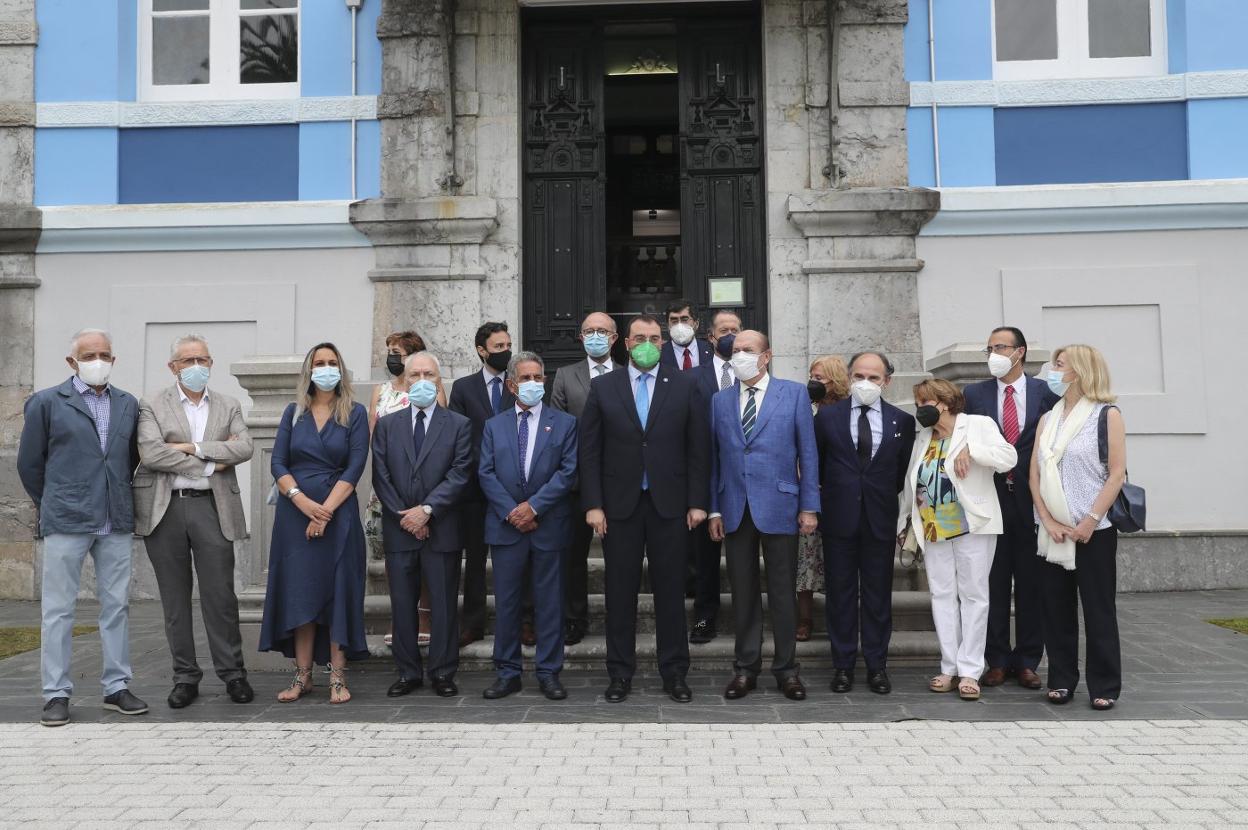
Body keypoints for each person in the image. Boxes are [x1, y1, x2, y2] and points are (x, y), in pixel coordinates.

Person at [18, 329, 147, 727]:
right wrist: (55, 500)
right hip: (67, 517)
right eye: (89, 354)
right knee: (58, 610)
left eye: (105, 353)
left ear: (114, 359)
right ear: (72, 361)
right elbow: (29, 464)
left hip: (115, 518)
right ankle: (55, 693)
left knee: (116, 607)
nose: (98, 360)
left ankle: (116, 687)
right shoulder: (46, 403)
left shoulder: (128, 404)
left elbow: (130, 458)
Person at [580, 314, 710, 703]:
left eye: (655, 337)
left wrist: (698, 502)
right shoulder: (604, 386)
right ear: (627, 343)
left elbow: (698, 447)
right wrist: (593, 505)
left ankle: (674, 673)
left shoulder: (686, 384)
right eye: (640, 337)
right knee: (620, 594)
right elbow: (589, 451)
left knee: (671, 593)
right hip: (619, 507)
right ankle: (620, 673)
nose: (648, 343)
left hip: (669, 505)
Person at [134, 334, 255, 709]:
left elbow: (244, 447)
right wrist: (209, 463)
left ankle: (233, 674)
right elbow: (152, 453)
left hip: (212, 506)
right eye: (188, 361)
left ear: (211, 363)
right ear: (173, 367)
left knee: (220, 597)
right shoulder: (151, 403)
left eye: (202, 359)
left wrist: (189, 447)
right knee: (175, 599)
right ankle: (185, 677)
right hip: (165, 506)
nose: (196, 367)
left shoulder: (228, 404)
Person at [708, 331, 819, 701]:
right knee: (743, 593)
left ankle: (787, 669)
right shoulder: (719, 401)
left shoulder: (794, 393)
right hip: (735, 508)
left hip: (782, 506)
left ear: (766, 355)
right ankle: (745, 668)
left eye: (747, 350)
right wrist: (714, 508)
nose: (739, 355)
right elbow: (714, 460)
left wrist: (809, 506)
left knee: (784, 593)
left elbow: (809, 453)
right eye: (735, 351)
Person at [259, 343, 369, 704]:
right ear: (309, 371)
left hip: (339, 516)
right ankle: (302, 676)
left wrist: (325, 511)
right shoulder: (294, 413)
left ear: (341, 369)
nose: (326, 369)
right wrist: (304, 503)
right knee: (300, 593)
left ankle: (337, 676)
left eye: (332, 363)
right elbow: (278, 464)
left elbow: (355, 467)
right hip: (295, 517)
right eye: (319, 363)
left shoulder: (354, 413)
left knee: (337, 592)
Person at [899, 379, 1016, 701]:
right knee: (942, 596)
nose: (920, 407)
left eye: (925, 400)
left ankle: (970, 670)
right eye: (918, 400)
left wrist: (973, 451)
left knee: (974, 596)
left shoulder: (977, 425)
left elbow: (1009, 457)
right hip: (933, 527)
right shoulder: (923, 437)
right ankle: (949, 666)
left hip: (972, 525)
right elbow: (912, 484)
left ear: (946, 402)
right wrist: (904, 523)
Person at [372, 351, 474, 699]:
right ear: (406, 381)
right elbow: (381, 477)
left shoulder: (458, 424)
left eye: (429, 374)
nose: (422, 381)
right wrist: (407, 516)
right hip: (400, 529)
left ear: (439, 380)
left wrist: (427, 511)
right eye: (415, 375)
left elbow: (460, 474)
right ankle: (407, 671)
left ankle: (443, 672)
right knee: (402, 604)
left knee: (444, 604)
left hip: (441, 528)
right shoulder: (387, 425)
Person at [1030, 344, 1126, 711]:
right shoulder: (1047, 418)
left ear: (1081, 371)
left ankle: (1104, 685)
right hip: (1052, 530)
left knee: (1098, 609)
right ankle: (1061, 679)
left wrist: (1089, 520)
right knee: (1055, 608)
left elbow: (1116, 472)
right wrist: (1048, 519)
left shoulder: (1107, 415)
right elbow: (1034, 476)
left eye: (1059, 364)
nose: (1052, 370)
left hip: (1094, 530)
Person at [478, 352, 579, 700]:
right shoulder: (494, 425)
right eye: (526, 378)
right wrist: (512, 511)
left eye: (538, 377)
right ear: (511, 385)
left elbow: (567, 472)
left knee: (549, 602)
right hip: (507, 528)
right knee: (506, 603)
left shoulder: (564, 423)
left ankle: (549, 672)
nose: (533, 383)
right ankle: (507, 672)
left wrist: (534, 507)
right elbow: (486, 473)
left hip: (547, 525)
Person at [963, 326, 1059, 690]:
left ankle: (1029, 660)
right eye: (989, 348)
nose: (993, 354)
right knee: (993, 581)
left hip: (1033, 502)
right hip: (990, 502)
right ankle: (997, 659)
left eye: (999, 347)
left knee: (1032, 583)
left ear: (1019, 352)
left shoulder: (1046, 392)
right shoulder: (974, 394)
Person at [815, 350, 915, 695]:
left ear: (886, 381)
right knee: (840, 596)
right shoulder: (828, 418)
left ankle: (877, 666)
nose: (866, 383)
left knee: (876, 597)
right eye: (859, 376)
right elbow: (819, 466)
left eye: (874, 378)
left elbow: (900, 473)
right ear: (849, 376)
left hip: (879, 520)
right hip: (839, 519)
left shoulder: (901, 422)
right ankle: (842, 666)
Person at [365, 330, 445, 649]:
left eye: (398, 351)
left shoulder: (431, 391)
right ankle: (400, 617)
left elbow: (438, 441)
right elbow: (375, 442)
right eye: (390, 351)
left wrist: (421, 505)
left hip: (423, 494)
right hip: (388, 491)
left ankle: (424, 616)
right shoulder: (379, 391)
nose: (392, 357)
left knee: (422, 558)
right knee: (393, 558)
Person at [550, 311, 621, 645]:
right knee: (573, 557)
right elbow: (559, 431)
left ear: (615, 338)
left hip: (619, 482)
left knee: (620, 557)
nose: (596, 336)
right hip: (576, 482)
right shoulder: (565, 376)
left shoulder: (627, 375)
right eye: (589, 330)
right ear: (580, 337)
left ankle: (618, 618)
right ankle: (573, 619)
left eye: (602, 331)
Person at [448, 321, 516, 648]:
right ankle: (473, 623)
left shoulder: (518, 384)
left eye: (507, 345)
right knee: (475, 560)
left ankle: (523, 621)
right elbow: (458, 437)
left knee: (519, 558)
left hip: (514, 489)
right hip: (474, 490)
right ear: (482, 350)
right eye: (499, 347)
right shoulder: (463, 389)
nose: (506, 352)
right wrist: (483, 470)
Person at [688, 308, 743, 644]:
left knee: (743, 555)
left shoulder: (755, 374)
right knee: (704, 558)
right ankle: (705, 617)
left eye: (736, 329)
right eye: (724, 329)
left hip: (742, 478)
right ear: (710, 337)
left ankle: (745, 618)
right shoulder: (692, 377)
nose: (731, 335)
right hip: (705, 475)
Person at [796, 354, 849, 641]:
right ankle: (804, 620)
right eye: (812, 376)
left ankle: (837, 619)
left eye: (820, 377)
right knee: (805, 558)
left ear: (835, 380)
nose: (813, 382)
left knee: (837, 561)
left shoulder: (847, 410)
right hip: (808, 493)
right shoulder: (805, 407)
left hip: (838, 494)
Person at [660, 299, 712, 370]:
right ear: (668, 325)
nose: (679, 325)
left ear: (696, 324)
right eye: (674, 321)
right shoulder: (659, 353)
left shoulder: (712, 350)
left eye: (684, 320)